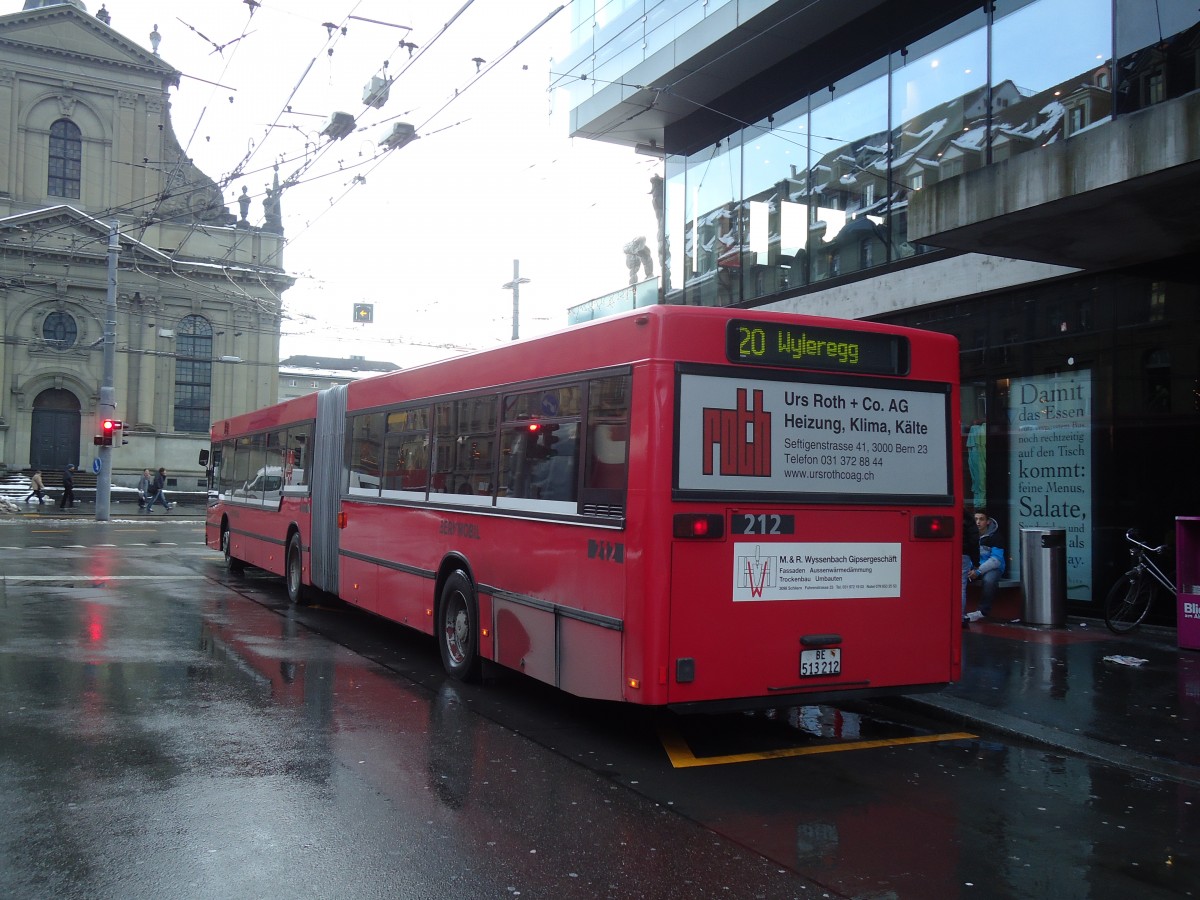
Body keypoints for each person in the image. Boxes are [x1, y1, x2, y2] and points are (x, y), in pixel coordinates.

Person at [967, 508, 1006, 618]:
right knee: (959, 577)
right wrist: (969, 568)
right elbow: (968, 555)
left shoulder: (996, 537)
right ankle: (958, 610)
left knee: (989, 580)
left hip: (993, 568)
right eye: (975, 519)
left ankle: (983, 611)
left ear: (988, 521)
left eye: (981, 519)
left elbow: (996, 561)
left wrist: (978, 571)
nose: (978, 522)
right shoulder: (971, 536)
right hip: (975, 566)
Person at [961, 507, 980, 625]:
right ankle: (960, 617)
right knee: (961, 586)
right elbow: (974, 542)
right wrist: (976, 562)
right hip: (964, 555)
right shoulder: (968, 518)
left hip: (946, 554)